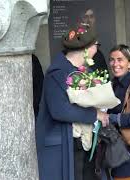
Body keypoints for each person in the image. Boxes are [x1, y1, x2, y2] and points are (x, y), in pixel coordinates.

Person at [35, 24, 103, 180]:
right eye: (96, 45)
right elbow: (59, 111)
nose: (97, 50)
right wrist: (95, 114)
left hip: (83, 142)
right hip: (66, 145)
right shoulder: (57, 72)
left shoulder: (85, 71)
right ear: (86, 48)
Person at [97, 44, 130, 180]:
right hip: (119, 151)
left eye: (120, 59)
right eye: (112, 59)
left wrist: (111, 117)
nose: (115, 64)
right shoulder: (114, 84)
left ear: (129, 63)